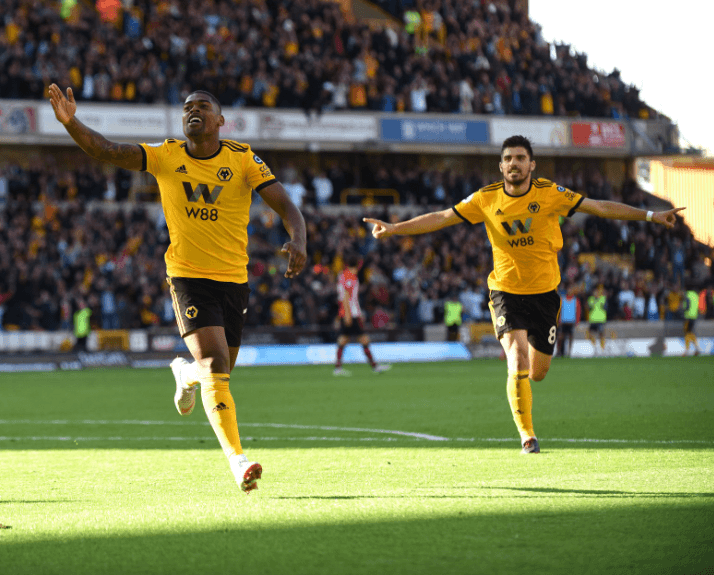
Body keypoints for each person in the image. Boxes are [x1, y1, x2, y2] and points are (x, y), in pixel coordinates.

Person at [48, 83, 307, 492]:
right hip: (188, 277)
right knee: (216, 367)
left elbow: (285, 204)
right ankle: (238, 461)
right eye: (187, 106)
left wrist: (299, 239)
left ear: (220, 121)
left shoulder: (242, 159)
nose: (193, 111)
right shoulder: (166, 155)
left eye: (203, 105)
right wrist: (70, 123)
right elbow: (106, 150)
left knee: (217, 371)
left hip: (234, 279)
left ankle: (184, 374)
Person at [363, 135, 684, 454]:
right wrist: (395, 228)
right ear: (501, 165)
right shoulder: (485, 198)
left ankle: (528, 388)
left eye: (520, 158)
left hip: (545, 295)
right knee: (516, 359)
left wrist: (651, 216)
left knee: (538, 373)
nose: (513, 163)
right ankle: (527, 436)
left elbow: (598, 206)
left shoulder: (551, 193)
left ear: (532, 164)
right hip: (505, 291)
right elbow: (442, 217)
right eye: (508, 158)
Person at [333, 253, 386, 376]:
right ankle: (375, 367)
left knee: (343, 339)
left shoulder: (343, 275)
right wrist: (348, 315)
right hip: (351, 314)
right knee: (363, 339)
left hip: (348, 313)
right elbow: (346, 297)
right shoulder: (350, 277)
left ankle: (338, 368)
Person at [557, 284, 581, 357]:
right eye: (568, 289)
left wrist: (577, 321)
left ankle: (569, 352)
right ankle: (558, 352)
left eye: (571, 289)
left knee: (570, 337)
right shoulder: (562, 299)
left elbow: (578, 311)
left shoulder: (576, 300)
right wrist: (559, 320)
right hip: (563, 322)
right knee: (560, 337)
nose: (569, 291)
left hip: (571, 322)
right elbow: (559, 310)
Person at [585, 284, 608, 355]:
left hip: (601, 320)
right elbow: (587, 307)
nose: (595, 293)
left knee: (601, 334)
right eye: (594, 292)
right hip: (593, 320)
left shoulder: (603, 298)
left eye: (597, 291)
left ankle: (602, 349)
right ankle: (595, 347)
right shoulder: (590, 299)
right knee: (591, 334)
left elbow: (606, 307)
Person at [683, 284, 700, 356]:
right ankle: (697, 348)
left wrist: (683, 308)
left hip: (688, 316)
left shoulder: (687, 295)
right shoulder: (696, 295)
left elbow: (687, 306)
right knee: (690, 332)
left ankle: (687, 350)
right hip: (694, 316)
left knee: (687, 333)